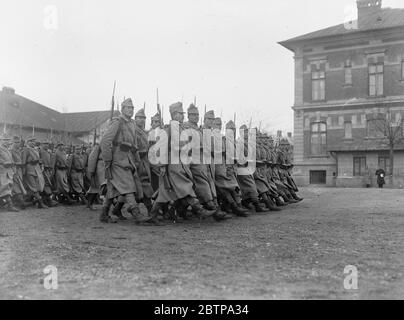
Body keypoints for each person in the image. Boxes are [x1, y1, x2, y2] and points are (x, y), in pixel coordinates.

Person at [151, 102, 218, 221]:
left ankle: (153, 215)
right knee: (185, 187)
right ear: (174, 114)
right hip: (174, 163)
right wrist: (161, 165)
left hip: (183, 163)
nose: (183, 116)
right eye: (181, 114)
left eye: (183, 114)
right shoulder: (169, 129)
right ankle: (199, 209)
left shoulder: (182, 128)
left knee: (164, 193)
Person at [100, 98, 157, 225]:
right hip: (117, 160)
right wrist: (108, 159)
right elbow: (105, 141)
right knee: (128, 186)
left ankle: (104, 214)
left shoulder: (131, 124)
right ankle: (137, 214)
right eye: (128, 107)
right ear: (122, 109)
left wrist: (136, 161)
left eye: (132, 108)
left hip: (128, 159)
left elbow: (134, 146)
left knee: (113, 188)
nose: (131, 110)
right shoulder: (117, 122)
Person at [21, 136, 47, 209]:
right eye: (31, 141)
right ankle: (40, 203)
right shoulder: (26, 150)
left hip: (37, 169)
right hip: (29, 169)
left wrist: (40, 164)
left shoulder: (36, 150)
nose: (33, 143)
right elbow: (23, 162)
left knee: (38, 186)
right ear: (27, 142)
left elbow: (39, 160)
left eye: (34, 141)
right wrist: (24, 172)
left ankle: (32, 201)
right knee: (33, 187)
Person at [0, 134, 19, 212]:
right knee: (5, 187)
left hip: (8, 171)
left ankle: (3, 204)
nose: (7, 141)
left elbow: (11, 159)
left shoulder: (7, 150)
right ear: (1, 141)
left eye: (8, 140)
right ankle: (10, 205)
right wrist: (3, 162)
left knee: (7, 186)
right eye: (5, 140)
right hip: (2, 170)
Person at [86, 143, 105, 211]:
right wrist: (91, 171)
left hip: (106, 167)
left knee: (96, 188)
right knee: (95, 188)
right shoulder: (98, 147)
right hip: (99, 168)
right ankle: (90, 204)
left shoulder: (110, 146)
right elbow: (92, 158)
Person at [10, 136, 28, 209]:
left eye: (18, 142)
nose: (17, 144)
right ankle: (21, 202)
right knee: (16, 184)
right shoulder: (10, 150)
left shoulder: (21, 150)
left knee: (20, 184)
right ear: (13, 143)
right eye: (16, 142)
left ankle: (18, 201)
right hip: (13, 170)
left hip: (20, 169)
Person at [39, 140, 58, 207]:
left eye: (47, 144)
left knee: (48, 184)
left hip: (48, 170)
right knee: (45, 185)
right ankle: (47, 201)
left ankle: (47, 200)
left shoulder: (48, 152)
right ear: (41, 144)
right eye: (44, 144)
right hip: (42, 170)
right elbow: (39, 160)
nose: (46, 145)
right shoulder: (39, 151)